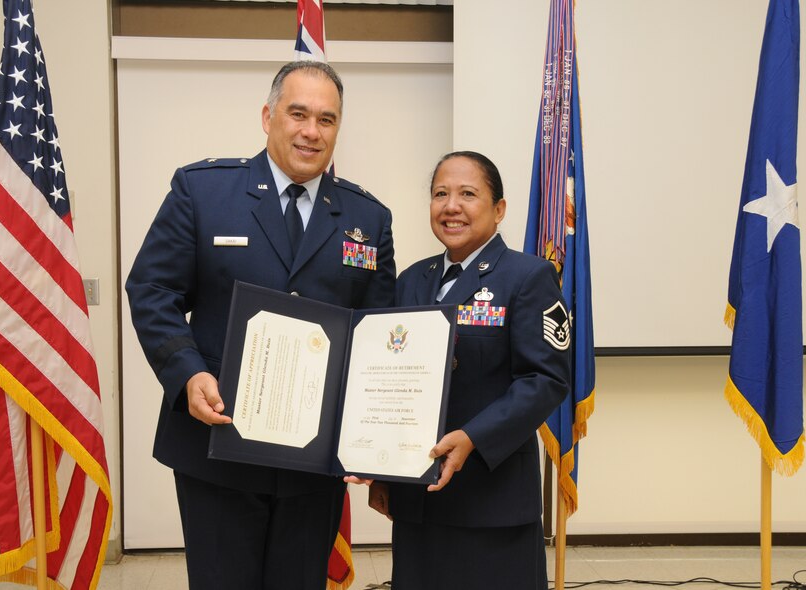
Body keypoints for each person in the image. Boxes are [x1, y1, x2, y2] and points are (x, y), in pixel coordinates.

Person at [125, 61, 396, 590]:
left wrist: (374, 436)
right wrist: (186, 374)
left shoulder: (369, 218)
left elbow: (376, 333)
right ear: (268, 116)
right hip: (217, 446)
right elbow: (152, 290)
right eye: (298, 114)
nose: (311, 131)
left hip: (312, 462)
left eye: (326, 119)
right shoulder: (202, 192)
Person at [368, 151, 570, 589]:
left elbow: (546, 379)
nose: (451, 206)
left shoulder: (528, 276)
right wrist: (381, 471)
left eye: (467, 194)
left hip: (490, 503)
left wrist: (474, 436)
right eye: (440, 194)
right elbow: (388, 378)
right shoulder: (411, 281)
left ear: (499, 209)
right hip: (419, 501)